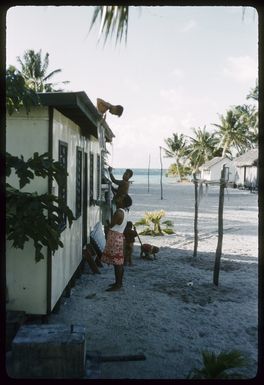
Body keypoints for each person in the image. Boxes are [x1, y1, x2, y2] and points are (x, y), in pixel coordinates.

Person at [101, 194, 133, 291]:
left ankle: (118, 284)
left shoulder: (119, 212)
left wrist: (107, 224)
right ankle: (118, 283)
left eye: (120, 198)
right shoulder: (125, 211)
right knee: (118, 262)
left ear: (123, 201)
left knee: (117, 263)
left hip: (114, 238)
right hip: (119, 237)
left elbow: (111, 225)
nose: (118, 199)